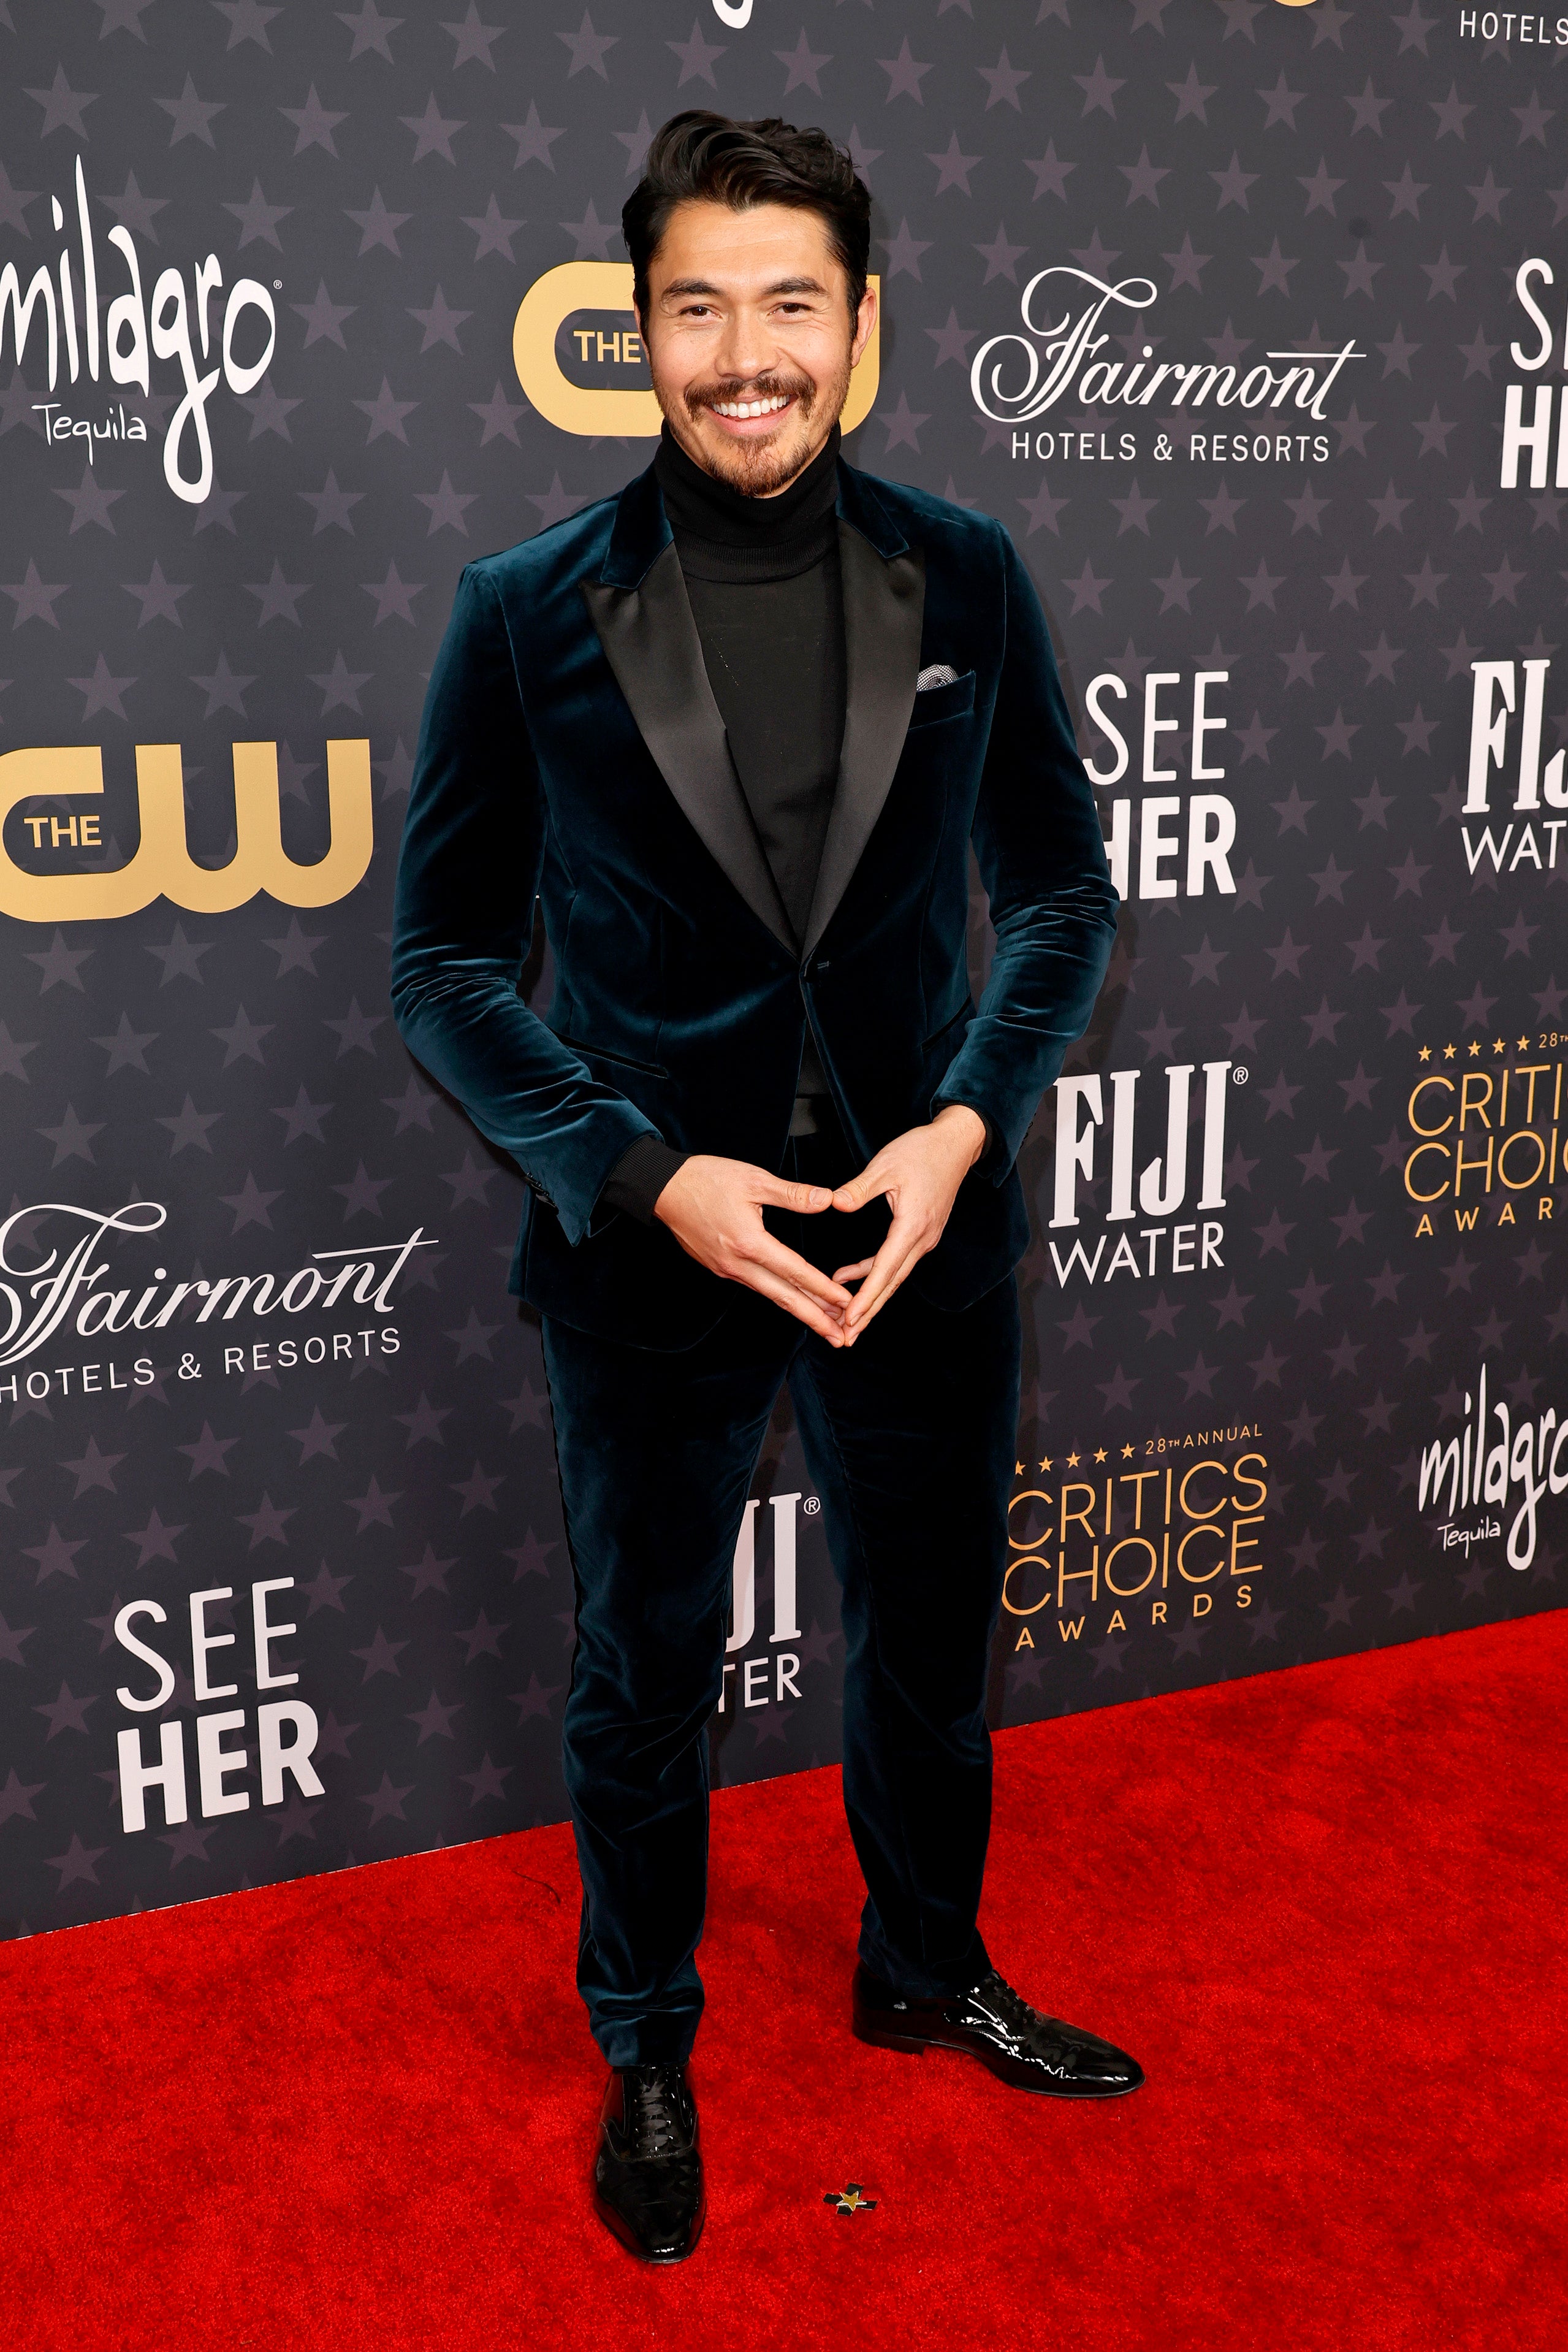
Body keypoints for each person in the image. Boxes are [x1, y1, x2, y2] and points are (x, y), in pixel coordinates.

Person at [391, 110, 1140, 2267]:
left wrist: (959, 1128)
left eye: (790, 304)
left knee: (926, 1639)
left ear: (862, 329)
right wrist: (638, 1173)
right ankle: (646, 2042)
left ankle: (925, 1962)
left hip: (927, 1231)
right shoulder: (523, 609)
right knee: (640, 1662)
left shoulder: (971, 573)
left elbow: (1064, 899)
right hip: (652, 1249)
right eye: (700, 305)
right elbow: (440, 962)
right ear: (638, 333)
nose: (748, 353)